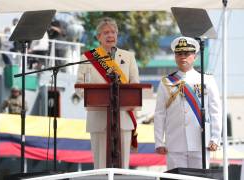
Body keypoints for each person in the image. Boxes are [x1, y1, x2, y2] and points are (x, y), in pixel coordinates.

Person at [75, 17, 139, 169]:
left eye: (113, 32)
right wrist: (96, 98)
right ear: (98, 37)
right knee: (100, 166)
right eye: (106, 32)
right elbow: (79, 87)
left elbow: (135, 85)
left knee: (122, 167)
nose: (110, 35)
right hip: (98, 117)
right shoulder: (87, 58)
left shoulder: (129, 57)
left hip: (123, 117)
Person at [154, 36, 222, 170]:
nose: (182, 57)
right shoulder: (166, 82)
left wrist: (215, 138)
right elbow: (160, 114)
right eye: (179, 54)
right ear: (175, 57)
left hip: (200, 142)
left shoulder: (206, 80)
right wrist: (159, 142)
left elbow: (215, 111)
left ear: (195, 56)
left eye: (187, 53)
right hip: (175, 142)